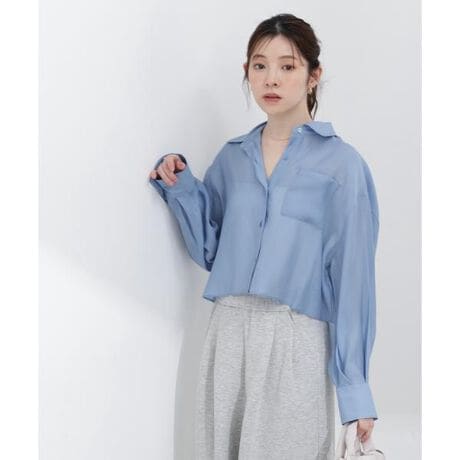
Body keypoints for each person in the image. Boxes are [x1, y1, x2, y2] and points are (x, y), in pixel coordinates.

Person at [149, 13, 380, 460]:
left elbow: (354, 280)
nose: (271, 78)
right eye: (260, 65)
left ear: (313, 75)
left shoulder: (343, 166)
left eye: (287, 66)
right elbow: (212, 249)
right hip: (227, 330)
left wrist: (356, 393)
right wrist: (181, 188)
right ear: (247, 72)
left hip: (294, 336)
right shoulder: (233, 158)